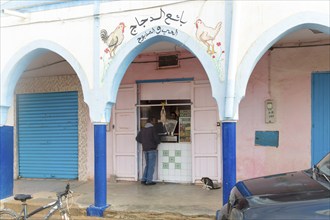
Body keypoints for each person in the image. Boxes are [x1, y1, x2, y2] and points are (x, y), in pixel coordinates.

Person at [136, 117, 160, 185]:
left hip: (145, 149)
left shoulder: (143, 129)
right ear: (151, 121)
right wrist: (157, 142)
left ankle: (144, 179)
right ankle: (149, 181)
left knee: (147, 165)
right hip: (152, 149)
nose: (155, 122)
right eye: (154, 121)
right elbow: (156, 139)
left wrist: (144, 142)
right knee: (151, 166)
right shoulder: (152, 129)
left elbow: (137, 138)